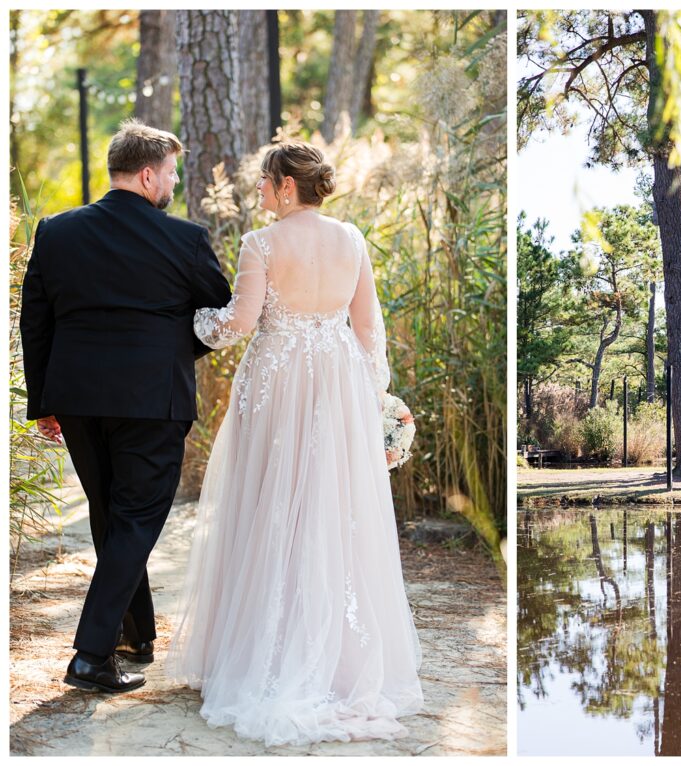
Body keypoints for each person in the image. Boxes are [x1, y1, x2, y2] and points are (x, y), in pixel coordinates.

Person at [166, 140, 423, 746]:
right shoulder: (351, 239)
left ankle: (264, 652)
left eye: (264, 179)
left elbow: (241, 322)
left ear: (286, 184)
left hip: (277, 380)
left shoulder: (261, 244)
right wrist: (372, 398)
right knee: (328, 506)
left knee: (266, 502)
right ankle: (335, 659)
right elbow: (368, 330)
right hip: (336, 380)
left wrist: (192, 322)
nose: (258, 187)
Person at [19, 119, 232, 693]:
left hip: (78, 398)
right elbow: (218, 316)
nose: (174, 182)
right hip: (151, 400)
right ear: (146, 174)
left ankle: (135, 637)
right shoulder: (184, 239)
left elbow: (35, 321)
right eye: (170, 172)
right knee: (135, 521)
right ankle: (90, 655)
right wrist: (169, 348)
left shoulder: (57, 232)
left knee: (115, 519)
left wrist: (44, 401)